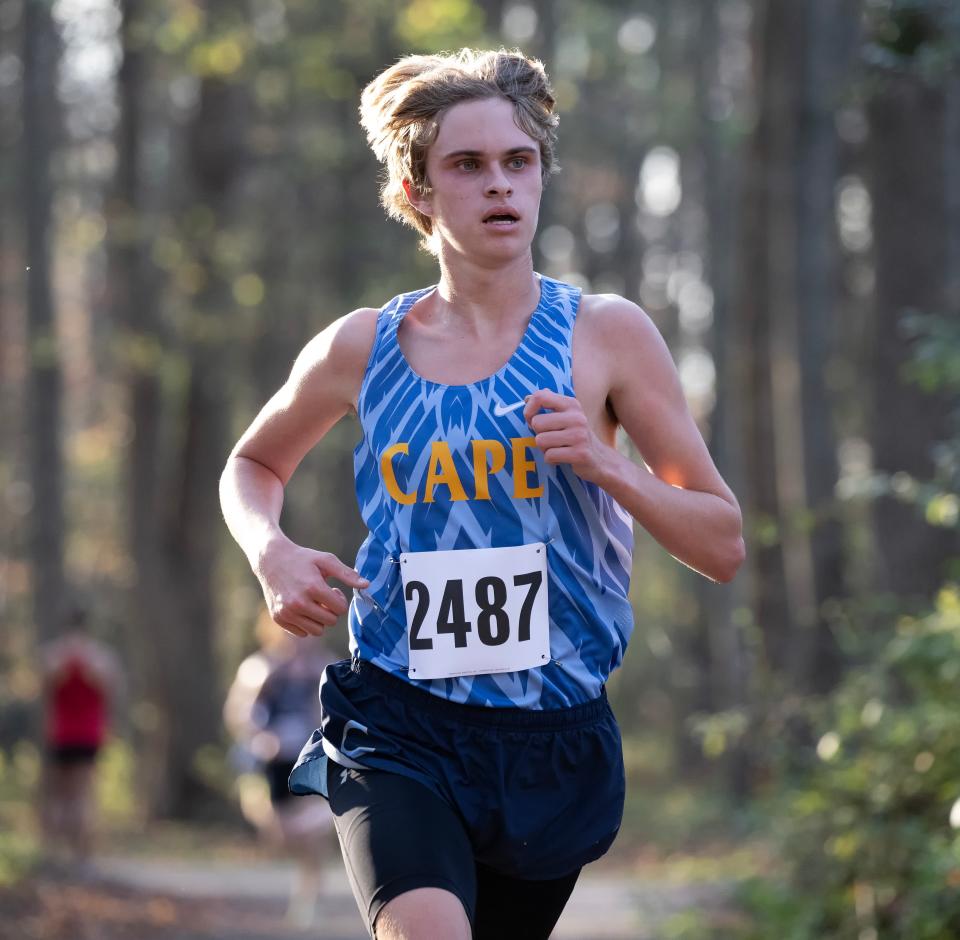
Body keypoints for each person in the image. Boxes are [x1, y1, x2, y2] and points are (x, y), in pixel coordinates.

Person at [219, 47, 745, 940]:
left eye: (519, 161)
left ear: (540, 177)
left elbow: (723, 543)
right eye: (467, 165)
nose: (499, 185)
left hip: (553, 734)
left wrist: (610, 467)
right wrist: (272, 550)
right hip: (398, 718)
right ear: (417, 190)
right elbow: (251, 465)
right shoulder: (360, 347)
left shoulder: (606, 336)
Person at [223, 609, 337, 925]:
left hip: (309, 758)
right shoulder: (259, 668)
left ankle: (307, 901)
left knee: (312, 835)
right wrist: (261, 737)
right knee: (279, 832)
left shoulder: (324, 667)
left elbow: (334, 717)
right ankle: (283, 889)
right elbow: (239, 714)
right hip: (268, 762)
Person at [39, 608, 123, 863]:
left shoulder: (53, 655)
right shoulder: (101, 657)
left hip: (61, 732)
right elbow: (111, 693)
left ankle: (55, 854)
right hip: (89, 732)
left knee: (60, 793)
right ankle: (82, 856)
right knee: (84, 792)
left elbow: (45, 692)